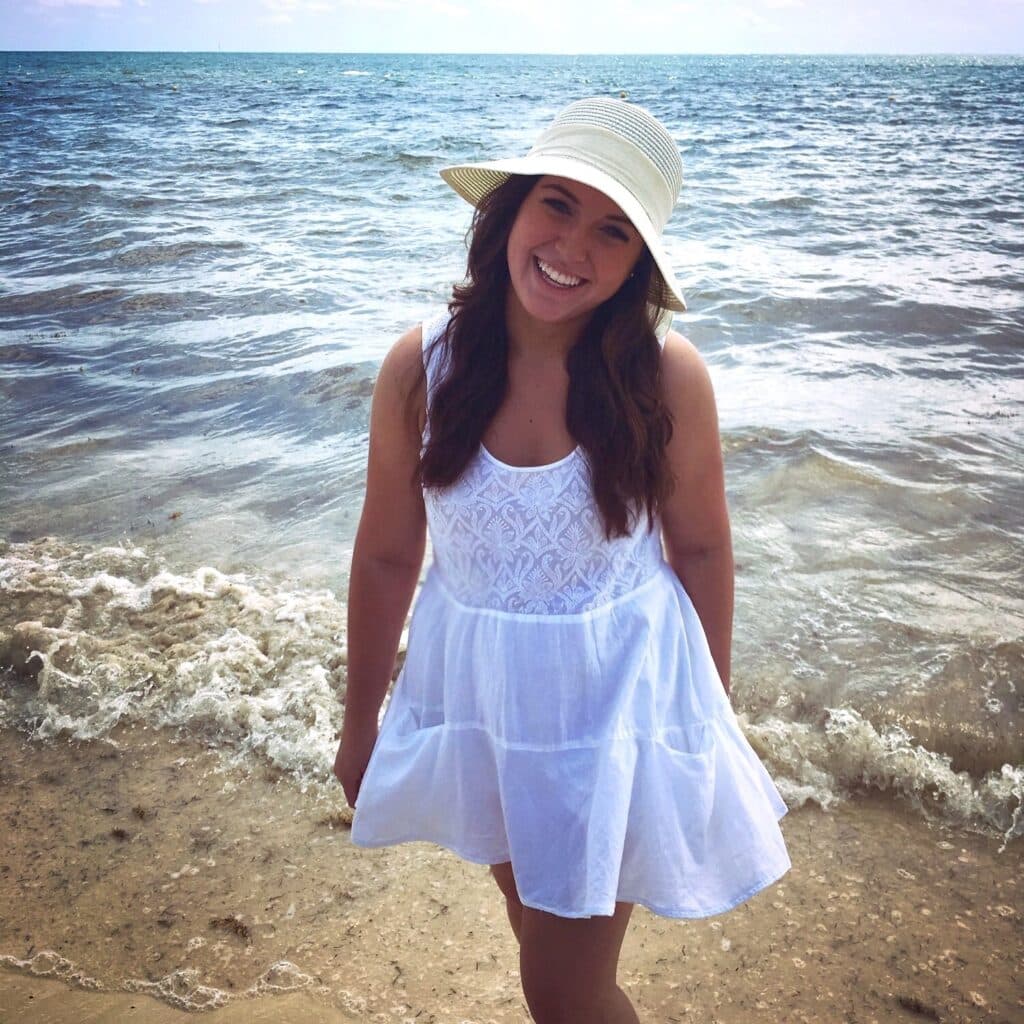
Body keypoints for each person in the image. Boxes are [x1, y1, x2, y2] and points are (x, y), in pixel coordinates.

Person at [333, 97, 790, 1024]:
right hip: (487, 703)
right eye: (557, 206)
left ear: (637, 266)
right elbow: (386, 555)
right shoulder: (424, 368)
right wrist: (359, 723)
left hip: (617, 705)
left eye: (613, 231)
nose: (573, 247)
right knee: (549, 955)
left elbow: (701, 547)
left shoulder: (666, 381)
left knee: (561, 987)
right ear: (508, 213)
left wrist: (706, 720)